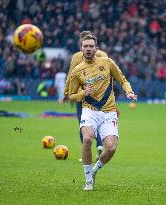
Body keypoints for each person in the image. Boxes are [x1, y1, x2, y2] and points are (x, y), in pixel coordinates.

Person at [69, 34, 137, 191]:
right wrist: (83, 94)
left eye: (91, 46)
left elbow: (122, 80)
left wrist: (129, 92)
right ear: (81, 49)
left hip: (109, 112)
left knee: (111, 148)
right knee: (87, 139)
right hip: (89, 111)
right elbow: (72, 96)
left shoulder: (107, 63)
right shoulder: (77, 71)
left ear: (96, 48)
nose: (88, 49)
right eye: (85, 46)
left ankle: (94, 171)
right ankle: (88, 180)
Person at [63, 31, 108, 160]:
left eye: (89, 46)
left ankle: (86, 153)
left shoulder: (77, 57)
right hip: (100, 95)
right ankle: (99, 145)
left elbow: (71, 76)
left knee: (82, 124)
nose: (87, 48)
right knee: (98, 121)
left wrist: (66, 93)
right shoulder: (104, 55)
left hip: (83, 94)